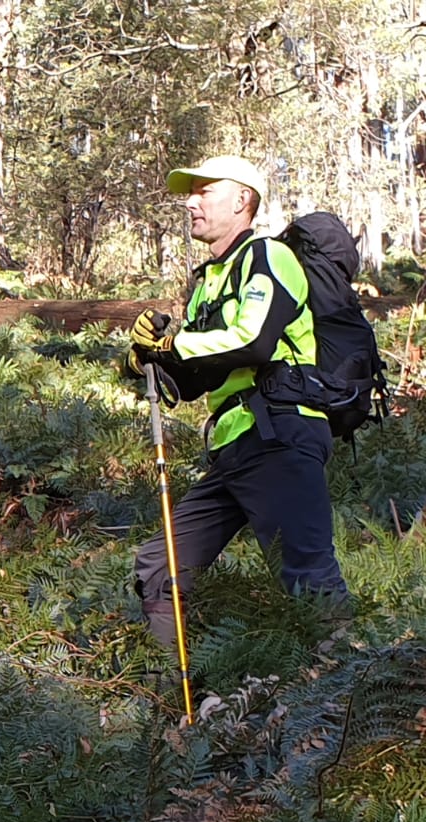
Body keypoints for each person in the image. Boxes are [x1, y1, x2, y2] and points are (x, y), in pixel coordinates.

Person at [126, 154, 350, 648]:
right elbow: (188, 383)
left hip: (282, 436)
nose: (191, 201)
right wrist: (142, 357)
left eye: (205, 190)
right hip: (235, 448)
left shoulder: (269, 258)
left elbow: (253, 341)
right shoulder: (207, 281)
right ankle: (170, 695)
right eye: (191, 192)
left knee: (309, 578)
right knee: (159, 566)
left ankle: (350, 702)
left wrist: (175, 346)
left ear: (243, 200)